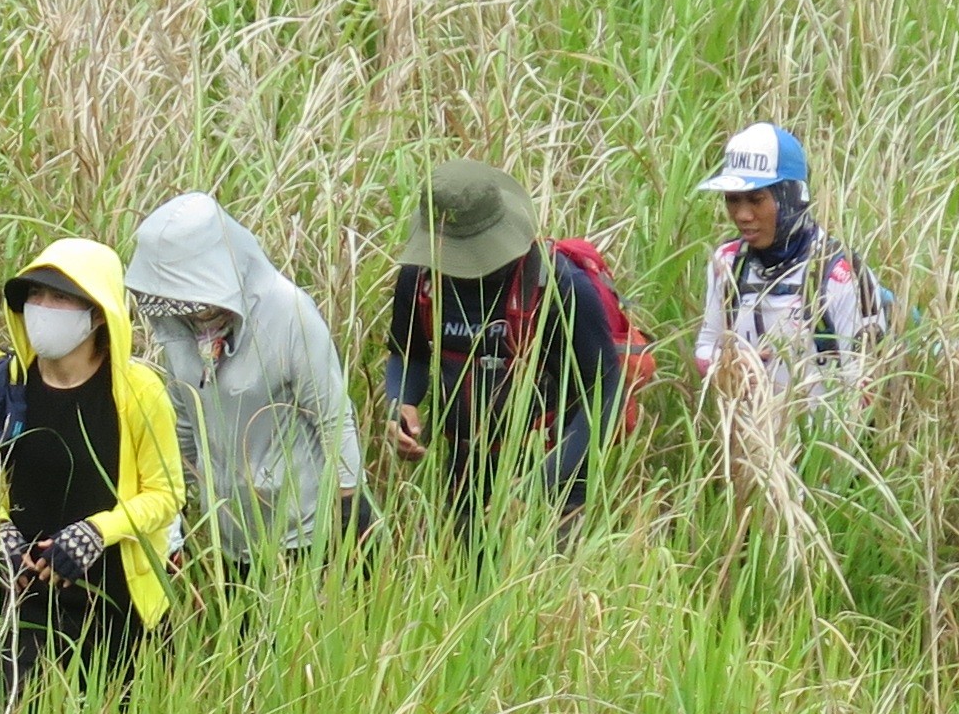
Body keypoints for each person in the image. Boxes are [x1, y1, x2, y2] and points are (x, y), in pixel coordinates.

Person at [0, 241, 184, 714]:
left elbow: (166, 496)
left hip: (113, 592)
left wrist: (98, 532)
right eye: (36, 294)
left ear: (99, 315)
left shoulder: (139, 393)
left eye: (61, 298)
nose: (44, 309)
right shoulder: (2, 381)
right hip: (18, 584)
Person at [120, 193, 367, 577]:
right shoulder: (179, 332)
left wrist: (350, 516)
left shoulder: (289, 314)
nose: (183, 305)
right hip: (229, 532)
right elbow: (186, 420)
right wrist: (177, 510)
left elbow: (333, 417)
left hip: (300, 529)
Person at [377, 158, 624, 533]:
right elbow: (408, 354)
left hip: (556, 482)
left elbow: (606, 393)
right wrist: (401, 405)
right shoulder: (420, 278)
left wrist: (534, 489)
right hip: (464, 479)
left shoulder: (559, 286)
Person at [689, 123, 896, 398]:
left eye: (756, 199)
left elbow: (866, 384)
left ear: (791, 197)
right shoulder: (726, 263)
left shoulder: (840, 274)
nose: (742, 214)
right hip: (749, 436)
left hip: (824, 438)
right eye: (733, 200)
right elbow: (706, 345)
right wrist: (725, 366)